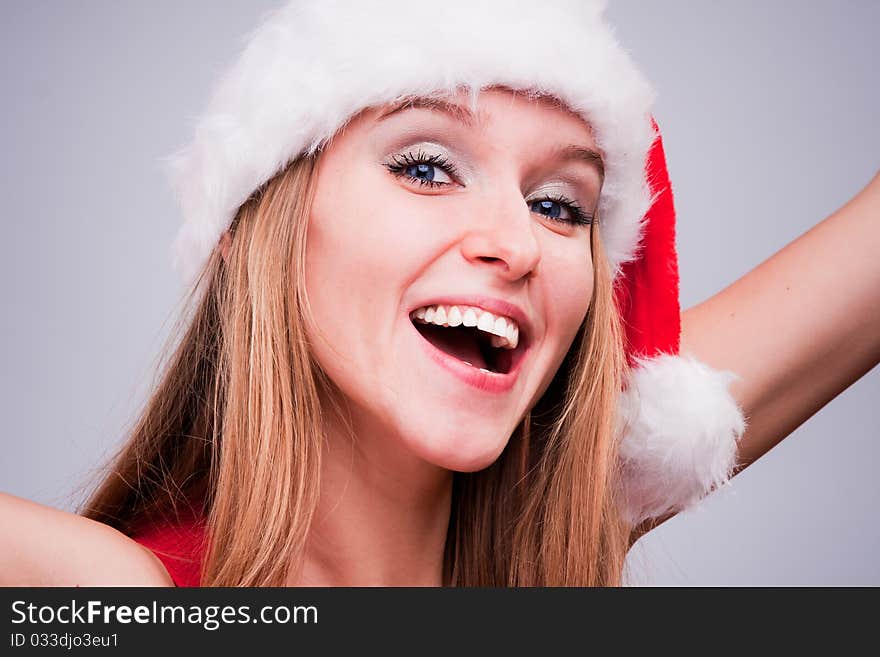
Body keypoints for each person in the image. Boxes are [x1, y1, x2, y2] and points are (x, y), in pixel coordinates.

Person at [1, 0, 877, 587]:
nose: (517, 243)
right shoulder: (113, 597)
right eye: (425, 167)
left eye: (558, 205)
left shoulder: (547, 540)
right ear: (251, 233)